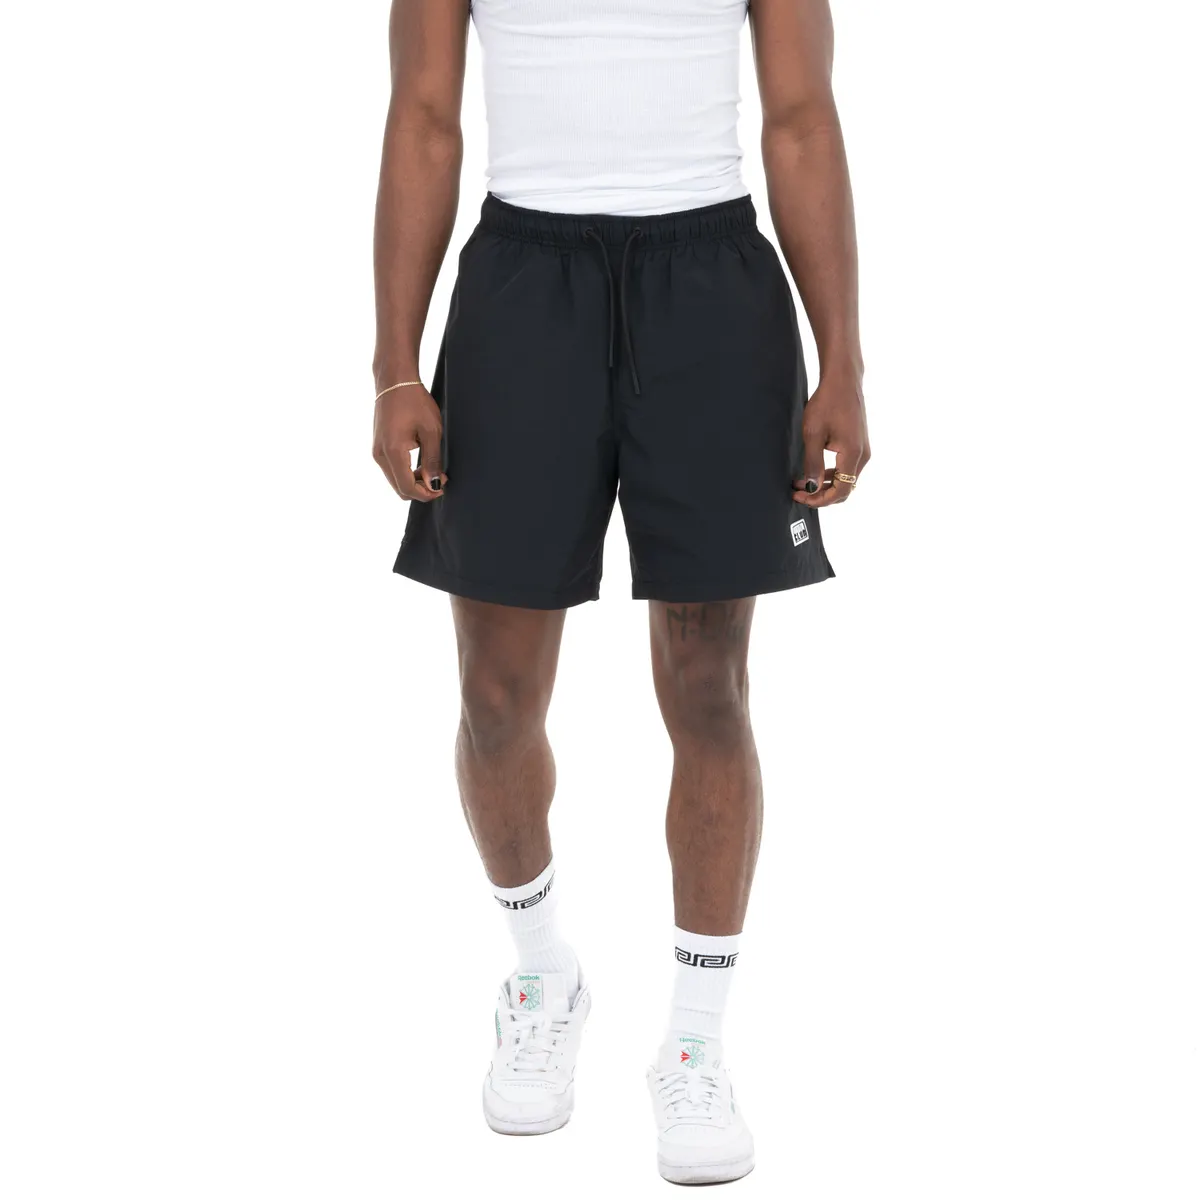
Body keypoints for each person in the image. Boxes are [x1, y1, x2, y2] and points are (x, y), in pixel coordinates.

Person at [371, 0, 869, 1183]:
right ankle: (542, 969)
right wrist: (394, 365)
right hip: (520, 289)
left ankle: (694, 1042)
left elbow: (801, 117)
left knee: (709, 689)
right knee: (496, 698)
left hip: (710, 289)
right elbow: (425, 117)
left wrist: (842, 359)